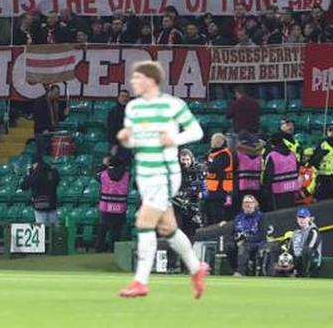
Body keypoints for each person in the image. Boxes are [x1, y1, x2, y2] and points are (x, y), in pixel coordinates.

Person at [115, 61, 207, 299]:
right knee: (167, 228)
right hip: (144, 173)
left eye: (137, 78)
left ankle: (140, 281)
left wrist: (174, 139)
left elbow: (197, 132)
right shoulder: (133, 108)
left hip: (164, 173)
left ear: (150, 80)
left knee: (143, 220)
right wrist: (126, 138)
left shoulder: (172, 105)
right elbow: (135, 141)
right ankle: (197, 269)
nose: (133, 83)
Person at [95, 157, 130, 251]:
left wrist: (104, 165)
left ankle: (99, 248)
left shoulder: (103, 174)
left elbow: (96, 175)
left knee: (102, 228)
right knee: (116, 231)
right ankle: (114, 250)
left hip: (105, 206)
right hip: (120, 207)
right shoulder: (127, 175)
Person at [225, 194, 265, 276]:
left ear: (255, 204)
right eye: (245, 202)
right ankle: (235, 269)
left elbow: (262, 235)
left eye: (250, 202)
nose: (248, 205)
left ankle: (240, 272)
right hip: (240, 241)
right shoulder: (239, 217)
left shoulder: (261, 216)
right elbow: (232, 233)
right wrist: (234, 240)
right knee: (229, 246)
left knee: (244, 246)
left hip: (255, 243)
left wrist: (245, 240)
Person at [202, 133, 234, 224]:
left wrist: (206, 165)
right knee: (210, 216)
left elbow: (213, 167)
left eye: (215, 141)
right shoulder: (213, 153)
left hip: (221, 191)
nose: (212, 142)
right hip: (212, 191)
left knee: (218, 218)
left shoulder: (224, 154)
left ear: (220, 142)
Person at [264, 133, 300, 211]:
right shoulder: (292, 154)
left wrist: (266, 189)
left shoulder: (272, 156)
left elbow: (268, 175)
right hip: (292, 189)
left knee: (279, 215)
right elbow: (297, 169)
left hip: (278, 191)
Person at [19, 157, 60, 225]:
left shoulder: (35, 173)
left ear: (35, 164)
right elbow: (57, 181)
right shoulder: (52, 171)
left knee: (41, 227)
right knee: (54, 228)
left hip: (39, 203)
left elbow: (24, 186)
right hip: (52, 203)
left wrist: (28, 174)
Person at [32, 85, 67, 159]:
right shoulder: (40, 101)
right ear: (50, 91)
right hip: (41, 132)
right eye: (55, 93)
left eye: (58, 93)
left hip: (51, 131)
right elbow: (37, 117)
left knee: (48, 154)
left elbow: (58, 118)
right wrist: (43, 129)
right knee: (41, 153)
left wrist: (64, 114)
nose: (56, 95)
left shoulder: (55, 104)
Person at [286, 208, 321, 277]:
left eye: (304, 218)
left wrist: (296, 260)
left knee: (306, 251)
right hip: (297, 261)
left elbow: (310, 248)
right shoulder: (296, 232)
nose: (301, 220)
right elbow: (290, 249)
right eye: (300, 217)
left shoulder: (313, 231)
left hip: (312, 260)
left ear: (308, 218)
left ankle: (305, 274)